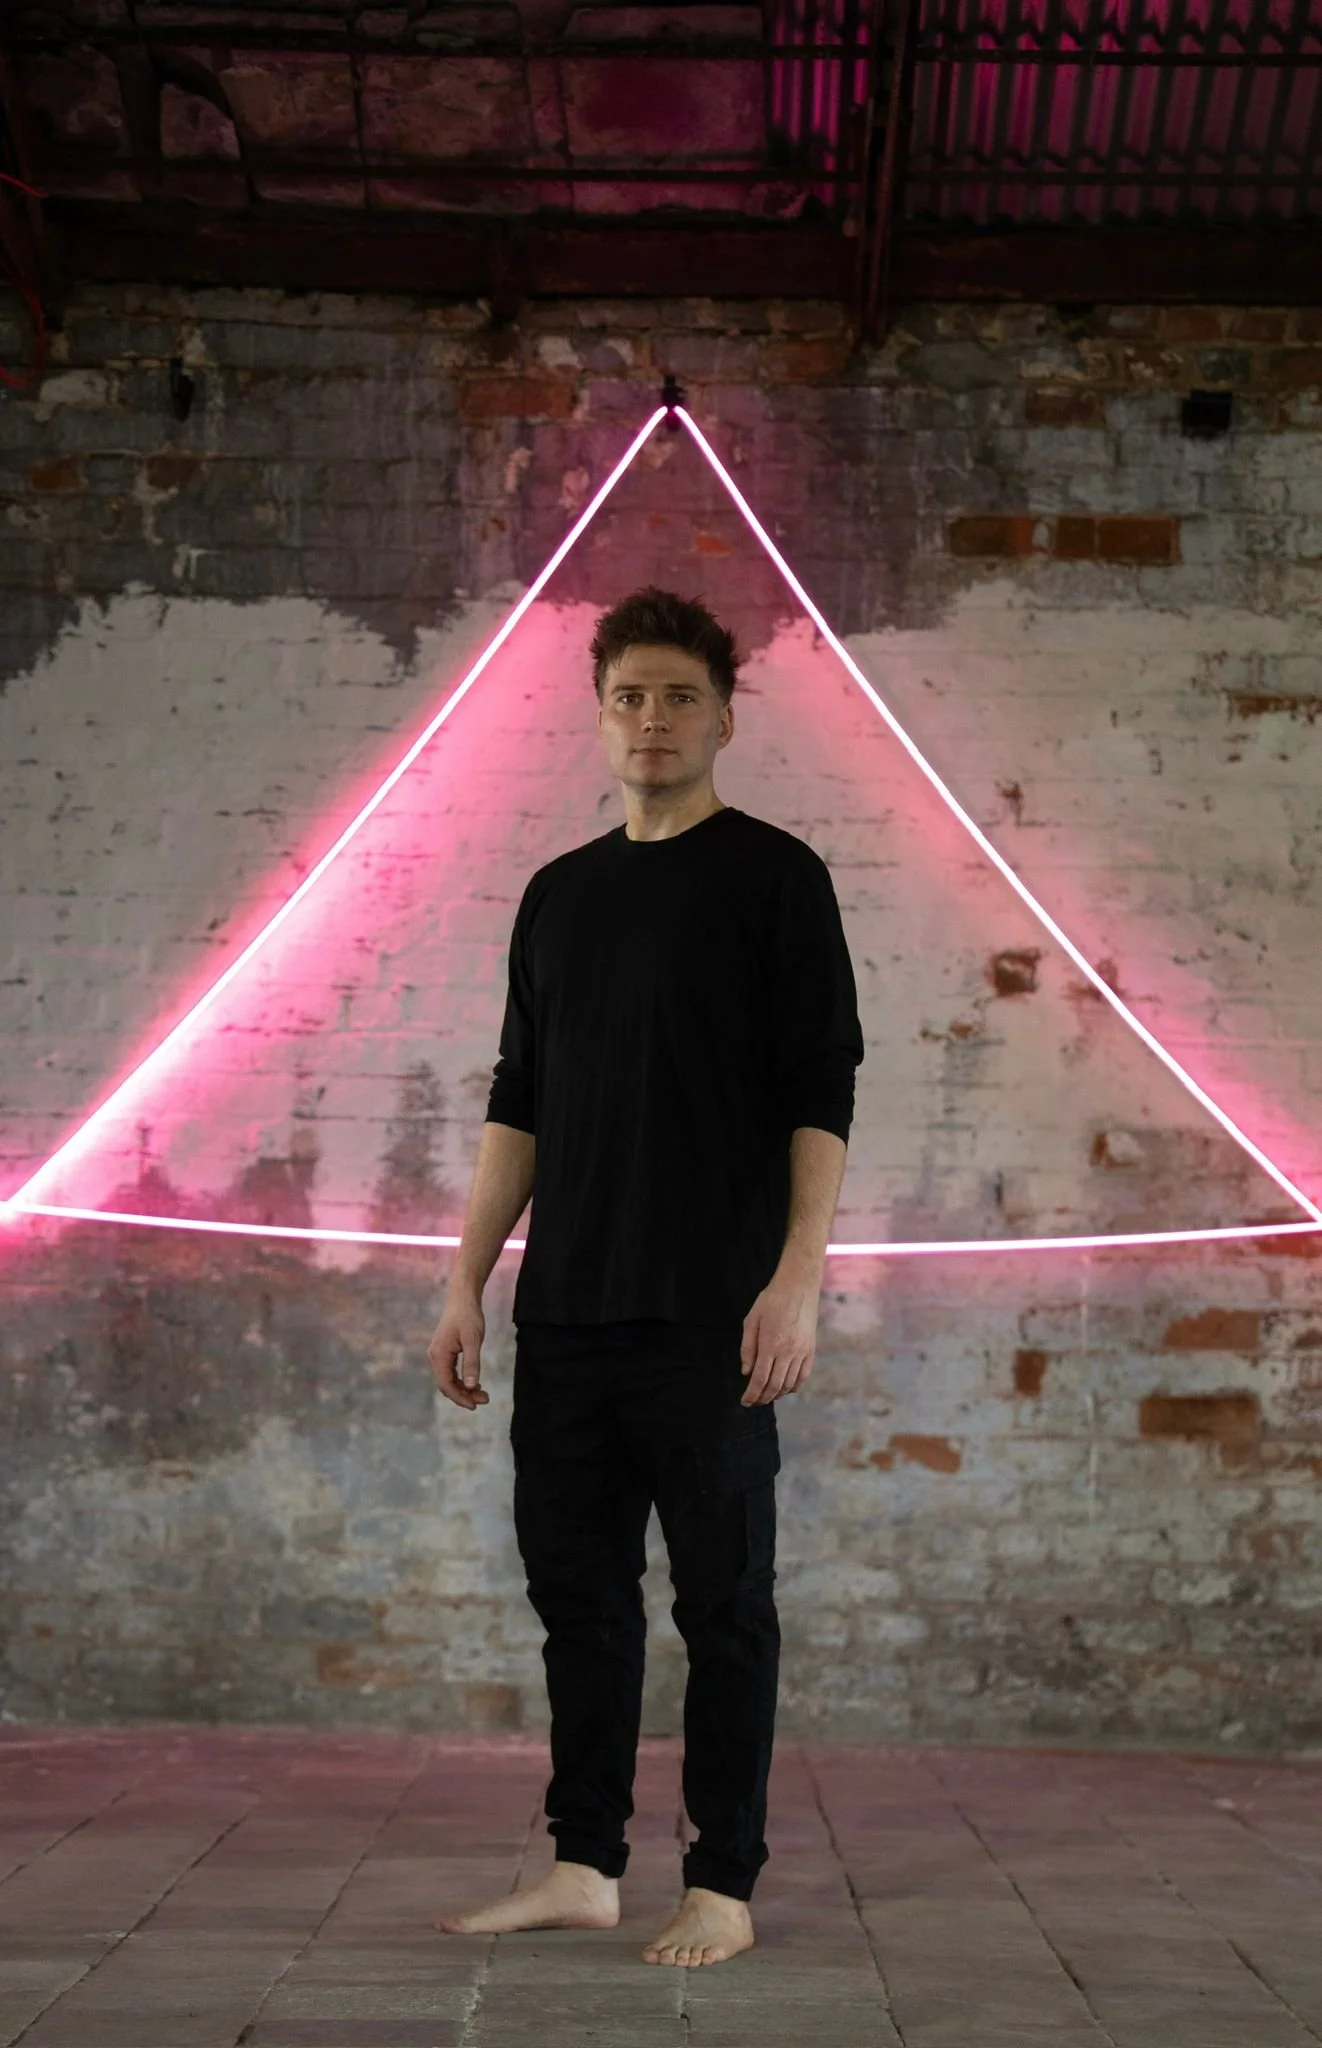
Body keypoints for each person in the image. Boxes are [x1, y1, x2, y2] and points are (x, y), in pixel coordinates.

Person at [428, 585, 864, 1967]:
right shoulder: (559, 894)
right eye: (629, 696)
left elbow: (819, 1092)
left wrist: (796, 1281)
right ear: (599, 717)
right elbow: (521, 1103)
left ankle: (721, 1883)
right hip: (567, 1315)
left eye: (679, 695)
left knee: (723, 1604)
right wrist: (464, 1282)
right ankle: (580, 1863)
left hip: (710, 1313)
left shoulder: (774, 877)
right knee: (580, 1599)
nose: (653, 718)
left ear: (723, 717)